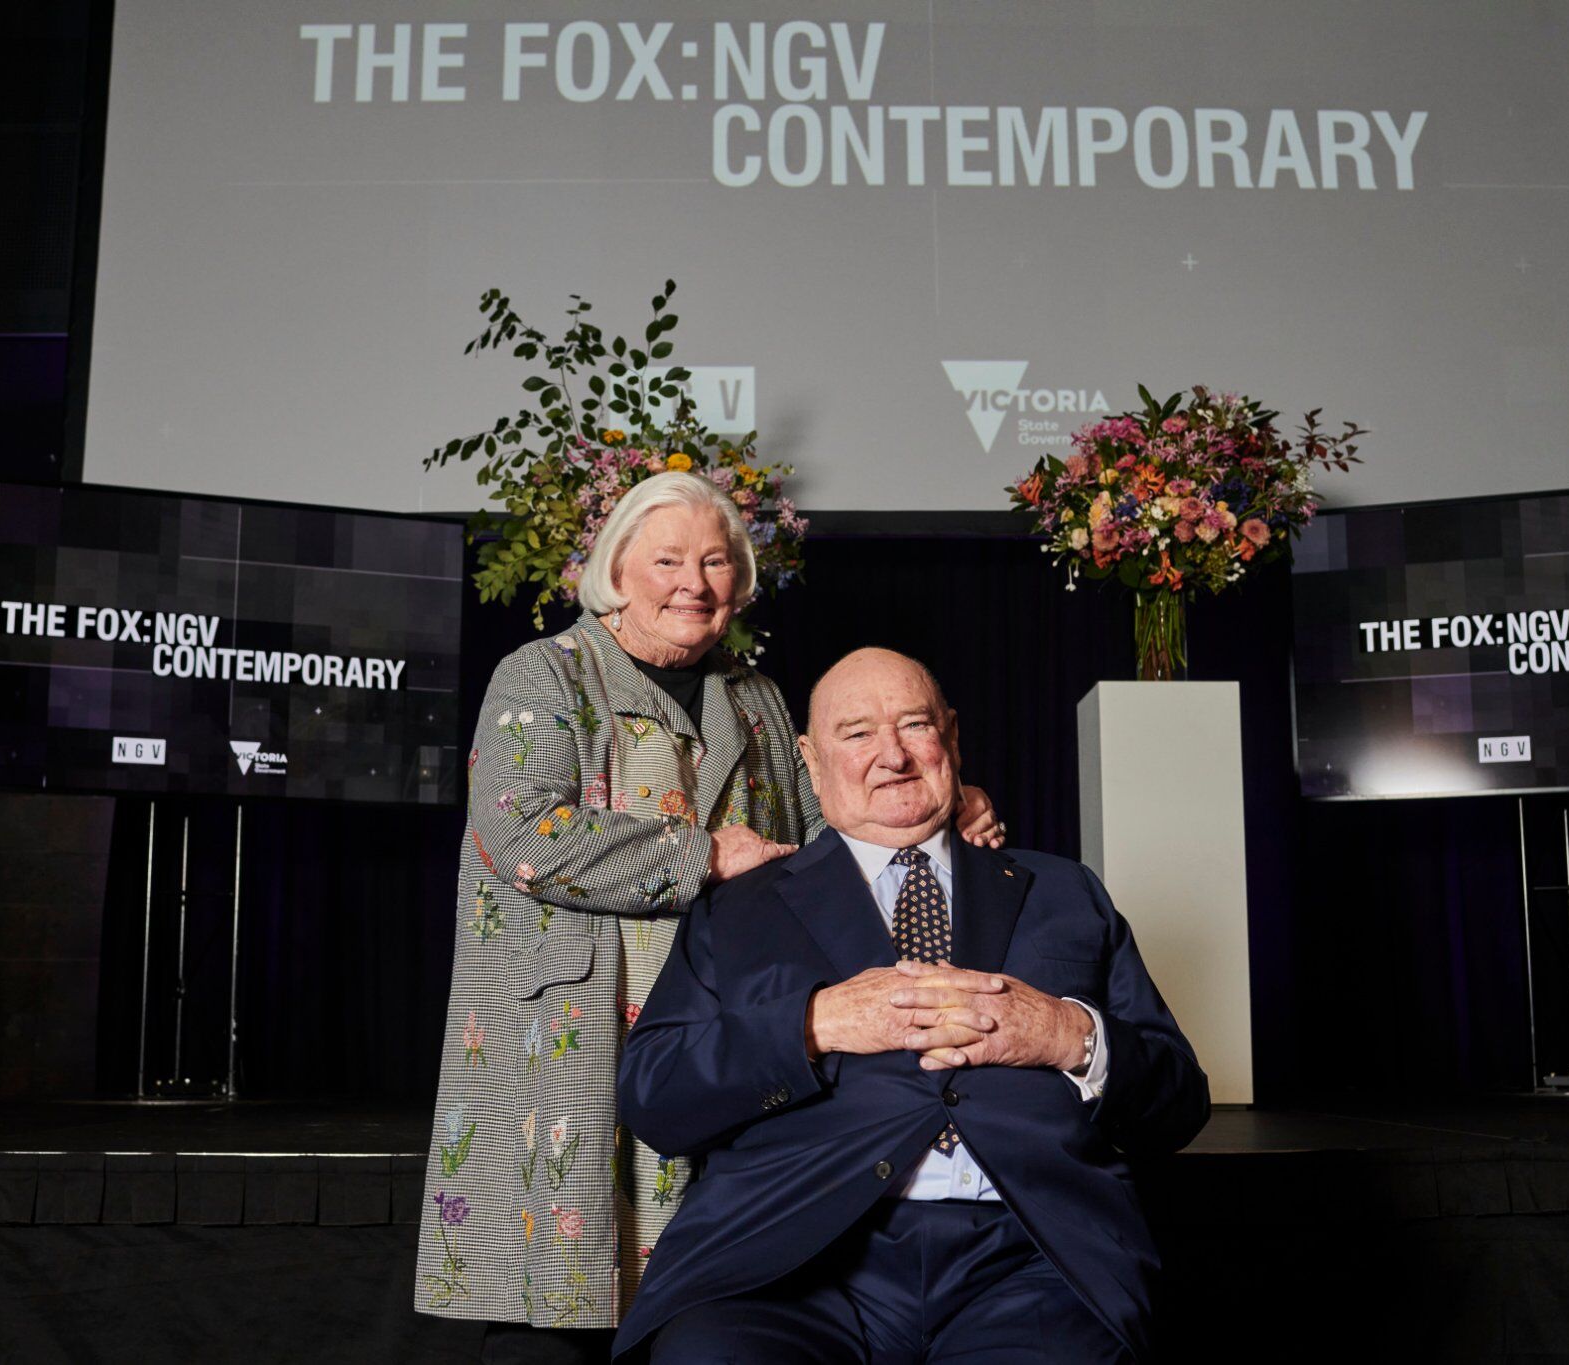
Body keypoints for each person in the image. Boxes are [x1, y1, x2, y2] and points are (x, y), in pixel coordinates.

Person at [417, 475, 1003, 1363]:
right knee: (563, 1291)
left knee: (711, 1288)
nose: (694, 581)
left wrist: (941, 805)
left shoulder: (757, 695)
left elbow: (830, 825)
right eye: (668, 560)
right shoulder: (543, 672)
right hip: (580, 1022)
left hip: (720, 1021)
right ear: (616, 569)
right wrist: (704, 855)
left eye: (716, 561)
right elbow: (518, 826)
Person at [613, 648, 1211, 1363]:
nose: (891, 755)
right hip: (787, 1265)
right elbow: (654, 1096)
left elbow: (1178, 1102)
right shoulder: (739, 910)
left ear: (951, 736)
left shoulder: (1066, 891)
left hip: (1031, 1263)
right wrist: (812, 1026)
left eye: (914, 725)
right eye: (858, 732)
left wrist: (1065, 1034)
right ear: (809, 756)